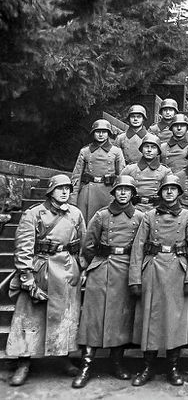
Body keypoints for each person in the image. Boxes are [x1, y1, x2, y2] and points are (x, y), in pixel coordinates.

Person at [6, 174, 86, 387]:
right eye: (60, 188)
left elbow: (82, 244)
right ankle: (24, 361)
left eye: (68, 189)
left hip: (68, 270)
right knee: (30, 318)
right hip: (41, 269)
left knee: (66, 316)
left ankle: (64, 357)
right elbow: (23, 248)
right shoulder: (33, 214)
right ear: (50, 191)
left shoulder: (76, 214)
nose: (65, 192)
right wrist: (27, 277)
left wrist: (82, 269)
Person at [128, 173, 188, 386]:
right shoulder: (149, 216)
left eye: (173, 189)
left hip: (178, 269)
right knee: (150, 317)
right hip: (152, 267)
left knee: (175, 319)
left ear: (179, 192)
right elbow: (138, 247)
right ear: (160, 192)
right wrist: (135, 279)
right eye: (165, 189)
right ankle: (148, 366)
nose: (169, 192)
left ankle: (173, 367)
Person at [73, 175, 144, 388]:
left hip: (125, 270)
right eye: (119, 190)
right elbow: (89, 244)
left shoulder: (140, 217)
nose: (123, 193)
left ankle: (117, 362)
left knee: (120, 317)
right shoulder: (101, 215)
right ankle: (86, 366)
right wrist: (94, 263)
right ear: (113, 193)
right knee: (93, 317)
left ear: (133, 194)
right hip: (102, 267)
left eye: (127, 190)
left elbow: (141, 245)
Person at [70, 120, 126, 225]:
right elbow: (76, 176)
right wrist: (73, 199)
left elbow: (122, 176)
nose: (101, 134)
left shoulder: (116, 151)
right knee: (86, 223)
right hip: (88, 191)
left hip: (109, 192)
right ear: (93, 133)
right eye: (97, 132)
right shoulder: (85, 151)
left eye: (104, 132)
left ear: (109, 134)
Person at [122, 133, 171, 211]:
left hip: (156, 209)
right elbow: (119, 189)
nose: (149, 150)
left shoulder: (165, 171)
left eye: (153, 147)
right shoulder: (130, 169)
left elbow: (170, 192)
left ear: (158, 151)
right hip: (133, 208)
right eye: (146, 146)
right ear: (141, 149)